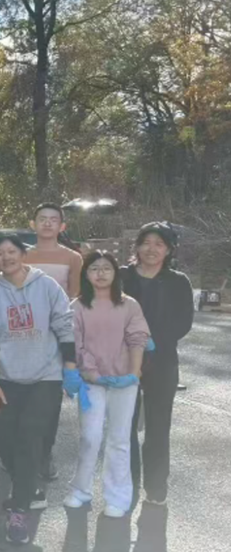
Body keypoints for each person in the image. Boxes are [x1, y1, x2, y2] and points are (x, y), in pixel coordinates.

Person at [0, 234, 74, 545]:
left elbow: (65, 325)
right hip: (6, 378)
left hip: (46, 377)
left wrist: (70, 366)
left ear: (22, 254)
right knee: (2, 436)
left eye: (11, 251)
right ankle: (29, 486)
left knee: (30, 437)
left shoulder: (47, 286)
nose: (6, 257)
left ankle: (19, 512)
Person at [64, 251, 150, 518]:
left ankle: (117, 497)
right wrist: (91, 374)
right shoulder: (77, 306)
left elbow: (138, 338)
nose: (100, 273)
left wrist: (133, 373)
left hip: (125, 382)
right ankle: (80, 489)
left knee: (119, 439)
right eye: (94, 268)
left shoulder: (129, 305)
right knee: (90, 437)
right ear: (86, 274)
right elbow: (74, 344)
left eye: (106, 268)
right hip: (92, 382)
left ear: (115, 273)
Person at [122, 222, 193, 506]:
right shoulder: (122, 276)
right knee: (123, 428)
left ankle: (155, 487)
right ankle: (125, 486)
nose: (151, 249)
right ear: (137, 246)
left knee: (158, 427)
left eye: (159, 244)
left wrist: (151, 342)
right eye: (146, 242)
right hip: (122, 360)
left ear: (169, 250)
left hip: (162, 361)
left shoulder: (178, 281)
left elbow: (183, 322)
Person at [25, 203, 83, 482]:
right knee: (20, 397)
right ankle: (19, 453)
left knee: (49, 400)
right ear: (32, 224)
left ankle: (45, 453)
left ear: (62, 226)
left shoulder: (73, 258)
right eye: (42, 219)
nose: (47, 223)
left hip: (57, 335)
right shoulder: (22, 255)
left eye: (53, 220)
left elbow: (77, 298)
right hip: (23, 335)